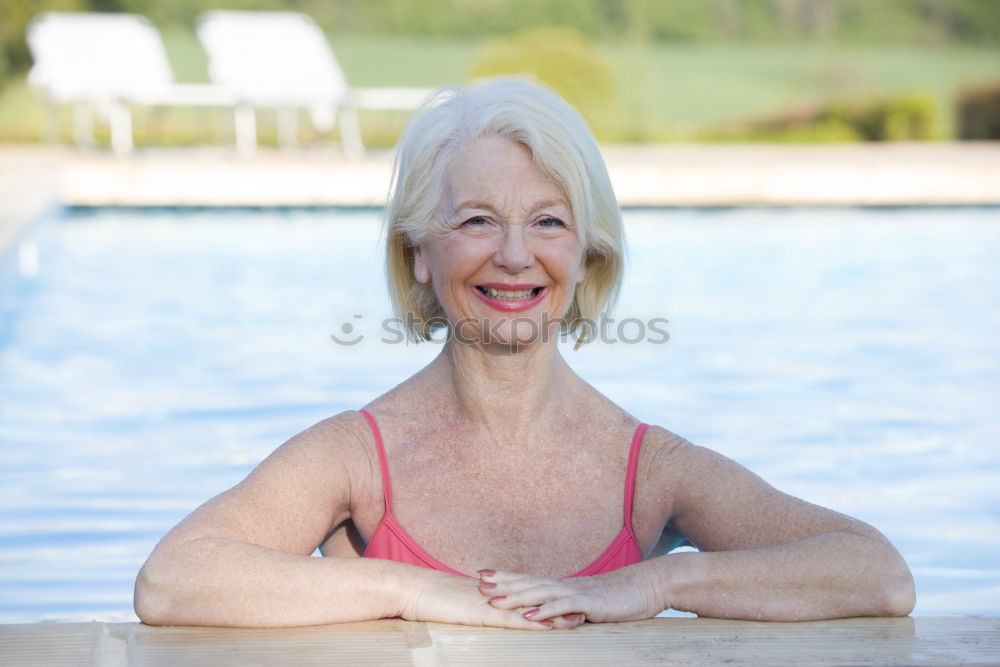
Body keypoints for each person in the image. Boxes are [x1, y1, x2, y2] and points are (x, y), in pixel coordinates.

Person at [134, 78, 915, 630]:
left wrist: (657, 583)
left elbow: (877, 573)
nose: (514, 256)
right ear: (417, 253)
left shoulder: (653, 467)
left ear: (586, 258)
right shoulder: (356, 456)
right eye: (476, 220)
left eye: (547, 222)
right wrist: (413, 590)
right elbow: (172, 580)